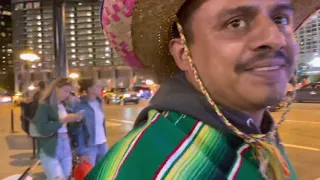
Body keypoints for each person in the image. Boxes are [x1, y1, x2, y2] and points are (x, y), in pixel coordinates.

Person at [87, 0, 319, 179]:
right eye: (235, 22)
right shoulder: (151, 167)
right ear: (183, 54)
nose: (275, 38)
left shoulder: (255, 134)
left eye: (280, 19)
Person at [33, 77, 83, 180]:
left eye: (69, 92)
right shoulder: (44, 105)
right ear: (56, 88)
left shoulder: (63, 105)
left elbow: (68, 128)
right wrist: (62, 121)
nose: (67, 94)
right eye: (65, 91)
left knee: (66, 177)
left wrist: (76, 120)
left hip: (65, 145)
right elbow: (42, 129)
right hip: (50, 147)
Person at [75, 78, 108, 166]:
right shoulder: (80, 105)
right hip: (89, 146)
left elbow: (101, 124)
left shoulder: (99, 103)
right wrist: (81, 152)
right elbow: (78, 131)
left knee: (103, 172)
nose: (100, 87)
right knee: (90, 173)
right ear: (89, 89)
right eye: (97, 86)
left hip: (103, 144)